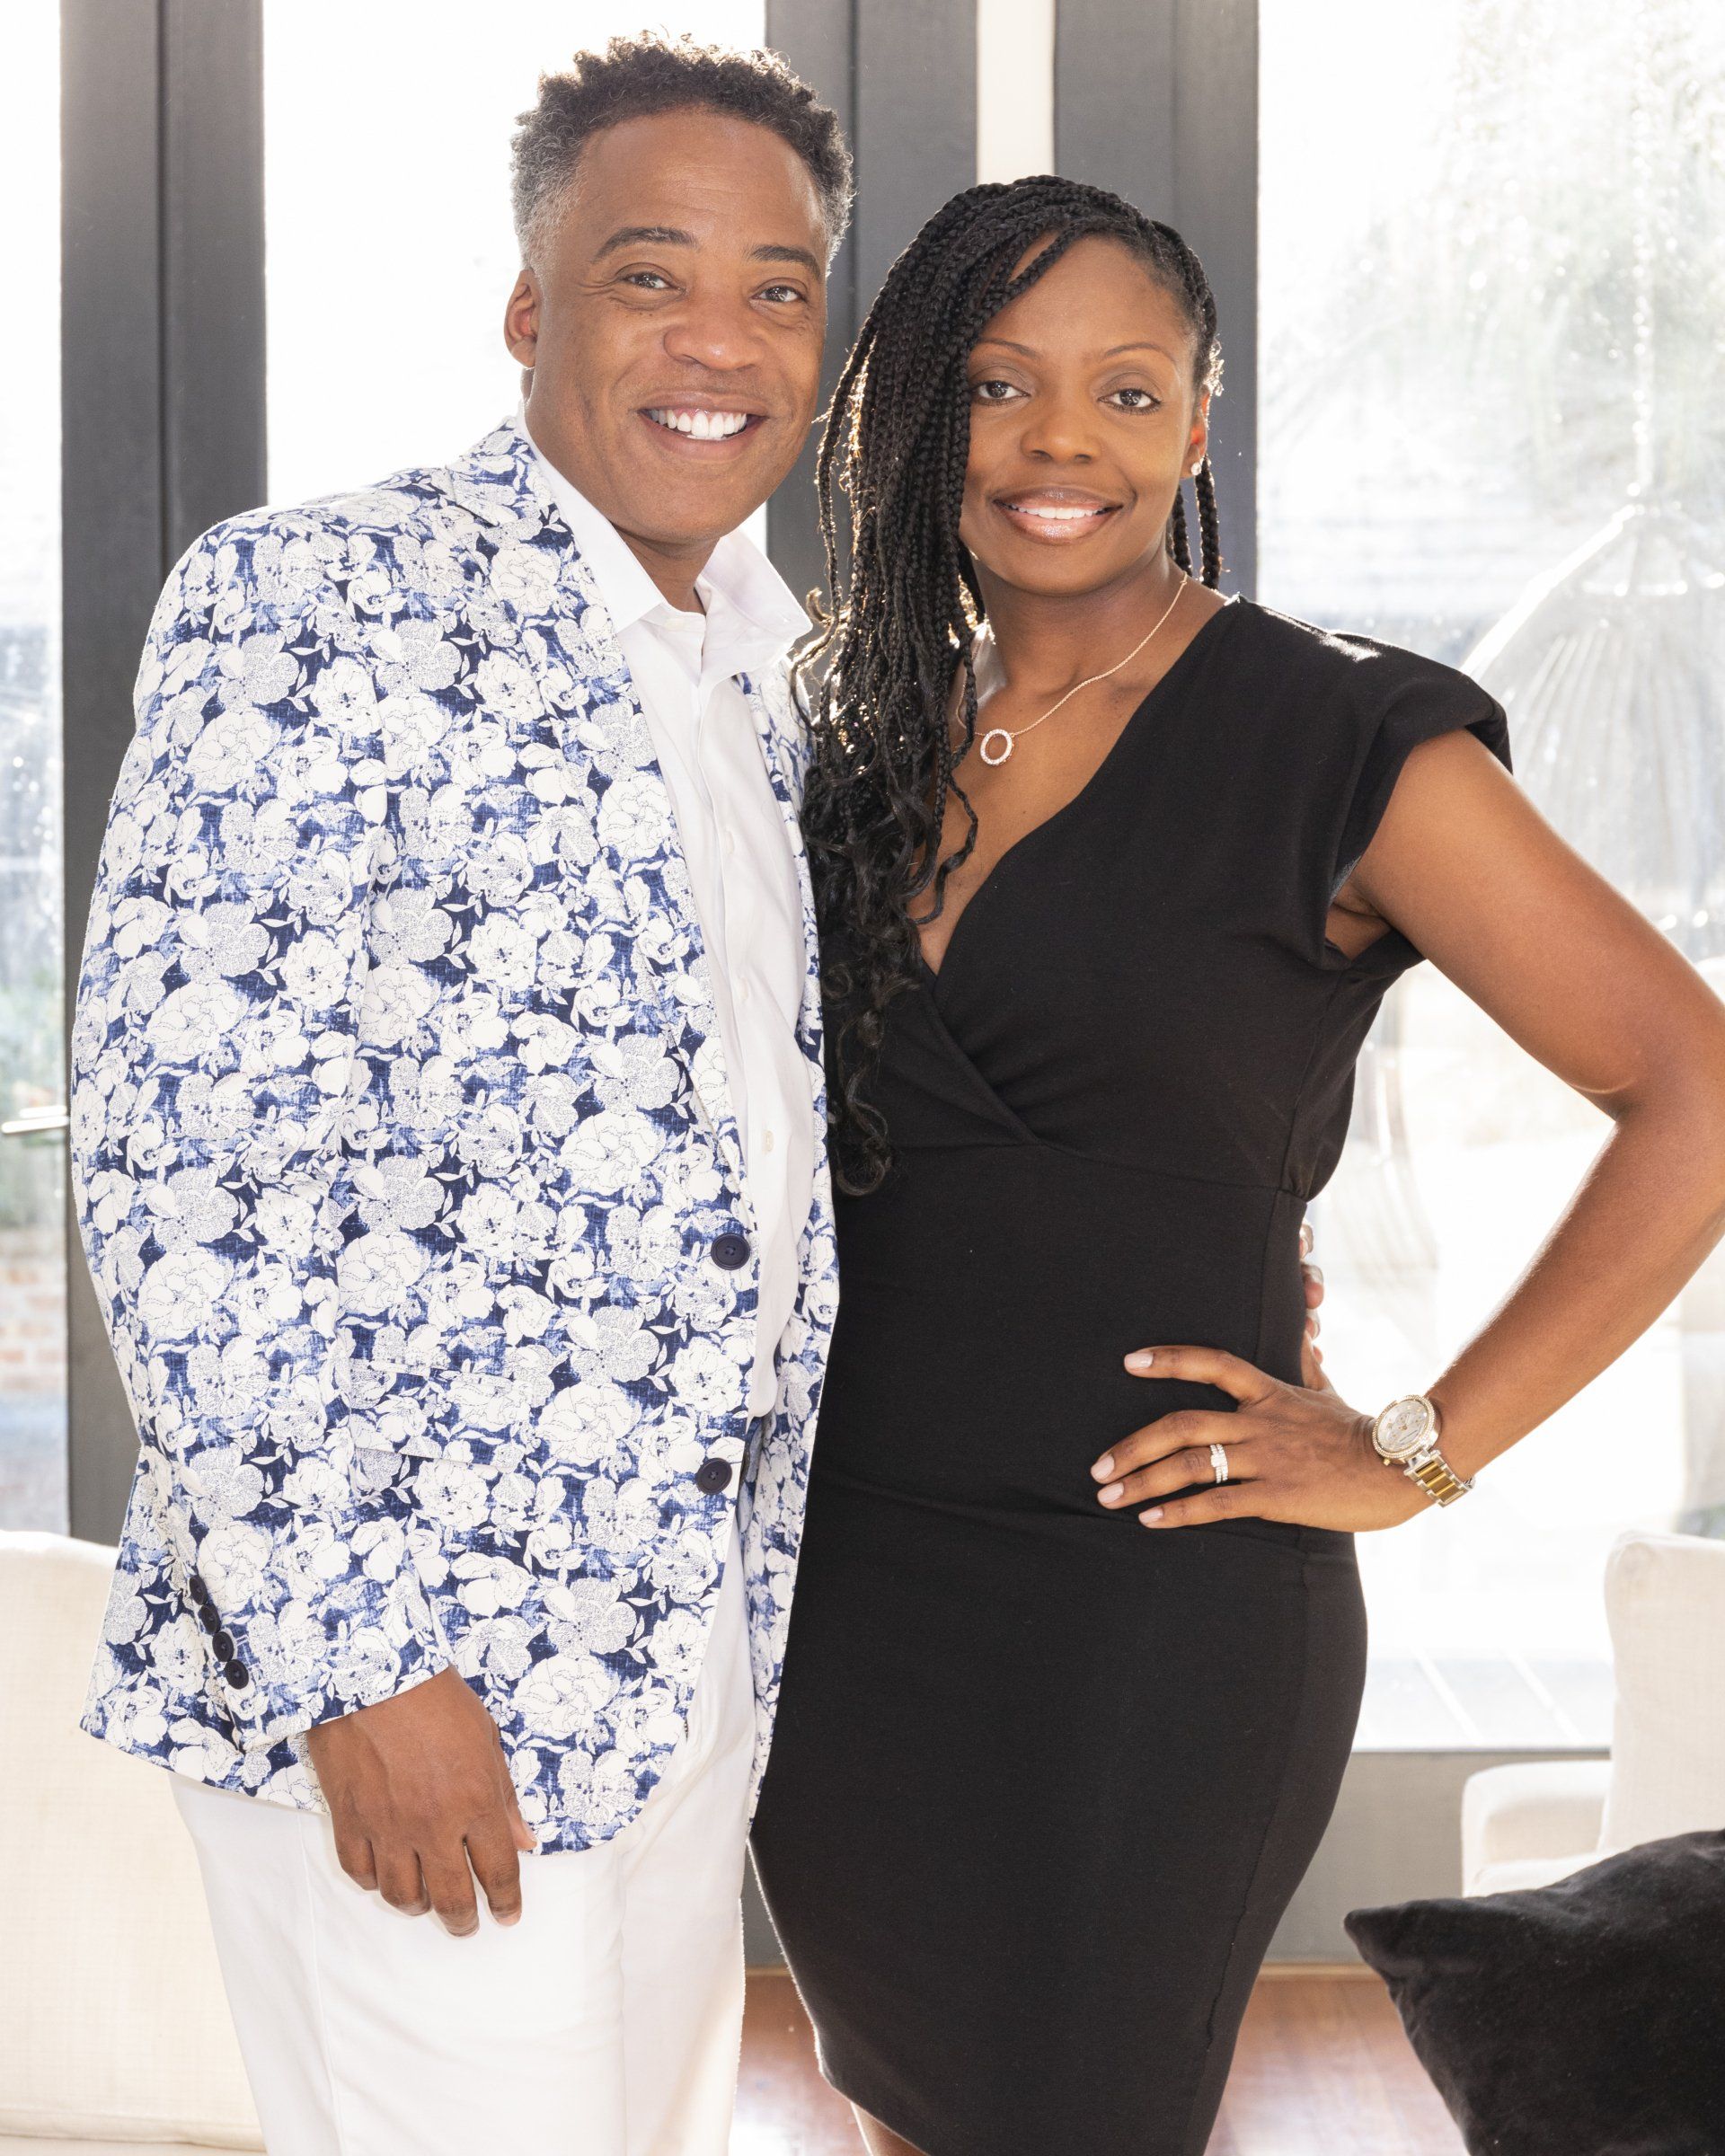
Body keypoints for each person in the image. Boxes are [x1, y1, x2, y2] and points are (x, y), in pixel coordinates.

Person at [746, 173, 1725, 2156]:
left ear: (1199, 428)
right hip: (843, 1590)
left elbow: (1691, 1089)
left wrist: (1419, 1448)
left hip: (1153, 1606)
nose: (1063, 444)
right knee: (901, 2117)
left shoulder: (1341, 737)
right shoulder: (848, 728)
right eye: (1000, 385)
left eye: (1128, 392)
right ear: (911, 416)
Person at [67, 36, 851, 2156]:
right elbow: (184, 1163)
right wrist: (357, 1661)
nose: (719, 340)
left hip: (687, 1664)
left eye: (777, 289)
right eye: (649, 275)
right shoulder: (316, 597)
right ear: (530, 308)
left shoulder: (772, 672)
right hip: (424, 1685)